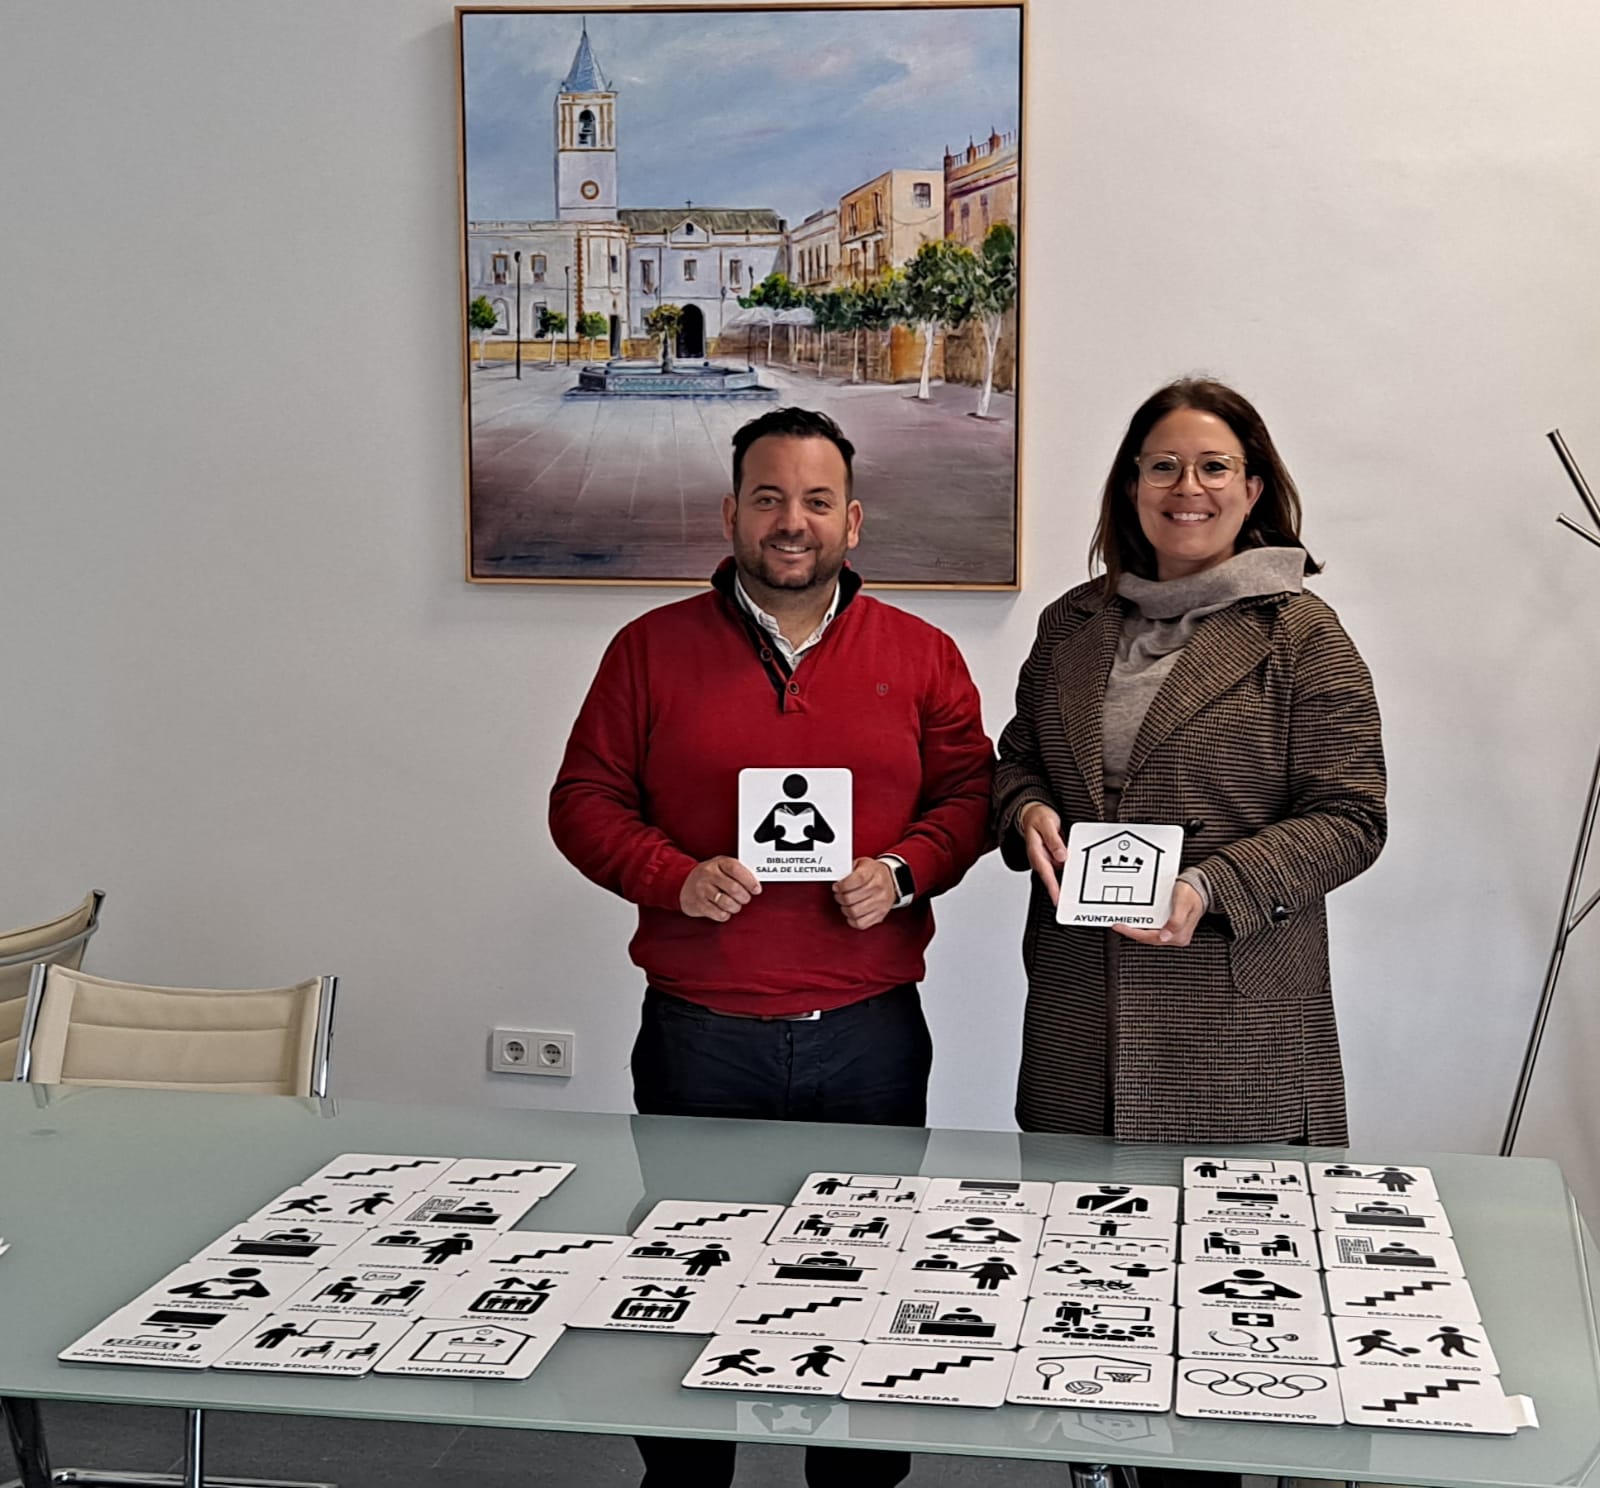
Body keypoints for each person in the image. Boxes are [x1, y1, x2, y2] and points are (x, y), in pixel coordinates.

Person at [550, 405, 993, 1488]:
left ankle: (853, 1479)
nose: (789, 521)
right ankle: (687, 1478)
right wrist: (672, 875)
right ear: (731, 512)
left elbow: (971, 796)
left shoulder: (923, 656)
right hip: (702, 1037)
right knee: (687, 1290)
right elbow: (583, 800)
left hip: (869, 1036)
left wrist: (901, 871)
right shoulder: (646, 651)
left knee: (859, 1289)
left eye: (814, 500)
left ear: (853, 520)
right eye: (767, 498)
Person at [993, 377, 1386, 1144]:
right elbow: (1018, 759)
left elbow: (1352, 817)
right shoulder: (1070, 623)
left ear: (1252, 488)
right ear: (1133, 484)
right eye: (1164, 466)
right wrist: (1027, 809)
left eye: (1214, 466)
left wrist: (1209, 887)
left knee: (1239, 1257)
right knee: (1075, 1247)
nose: (1188, 488)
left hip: (1234, 1018)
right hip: (1077, 1014)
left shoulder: (1303, 635)